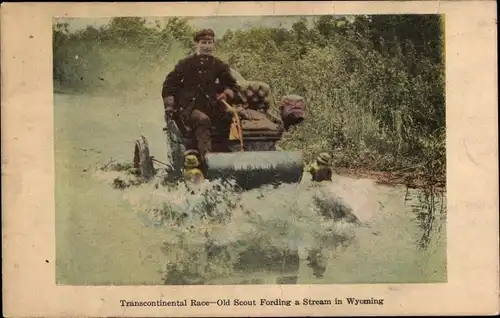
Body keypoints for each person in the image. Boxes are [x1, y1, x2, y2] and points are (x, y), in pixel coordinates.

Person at [161, 28, 241, 158]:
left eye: (210, 43)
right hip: (189, 108)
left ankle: (226, 156)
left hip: (213, 106)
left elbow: (233, 86)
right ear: (196, 44)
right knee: (202, 120)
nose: (207, 46)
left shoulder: (219, 65)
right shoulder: (185, 64)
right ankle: (206, 161)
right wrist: (170, 105)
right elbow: (169, 86)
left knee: (228, 116)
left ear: (214, 44)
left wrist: (226, 94)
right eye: (203, 42)